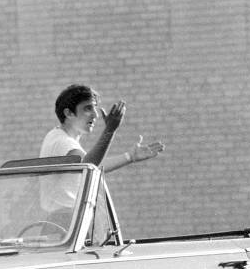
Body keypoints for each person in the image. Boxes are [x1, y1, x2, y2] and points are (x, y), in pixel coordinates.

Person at [38, 84, 164, 224]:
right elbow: (89, 164)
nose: (95, 114)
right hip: (64, 220)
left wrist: (129, 157)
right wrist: (110, 130)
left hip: (65, 220)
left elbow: (93, 166)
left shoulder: (59, 138)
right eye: (87, 108)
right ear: (68, 113)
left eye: (95, 108)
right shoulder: (61, 141)